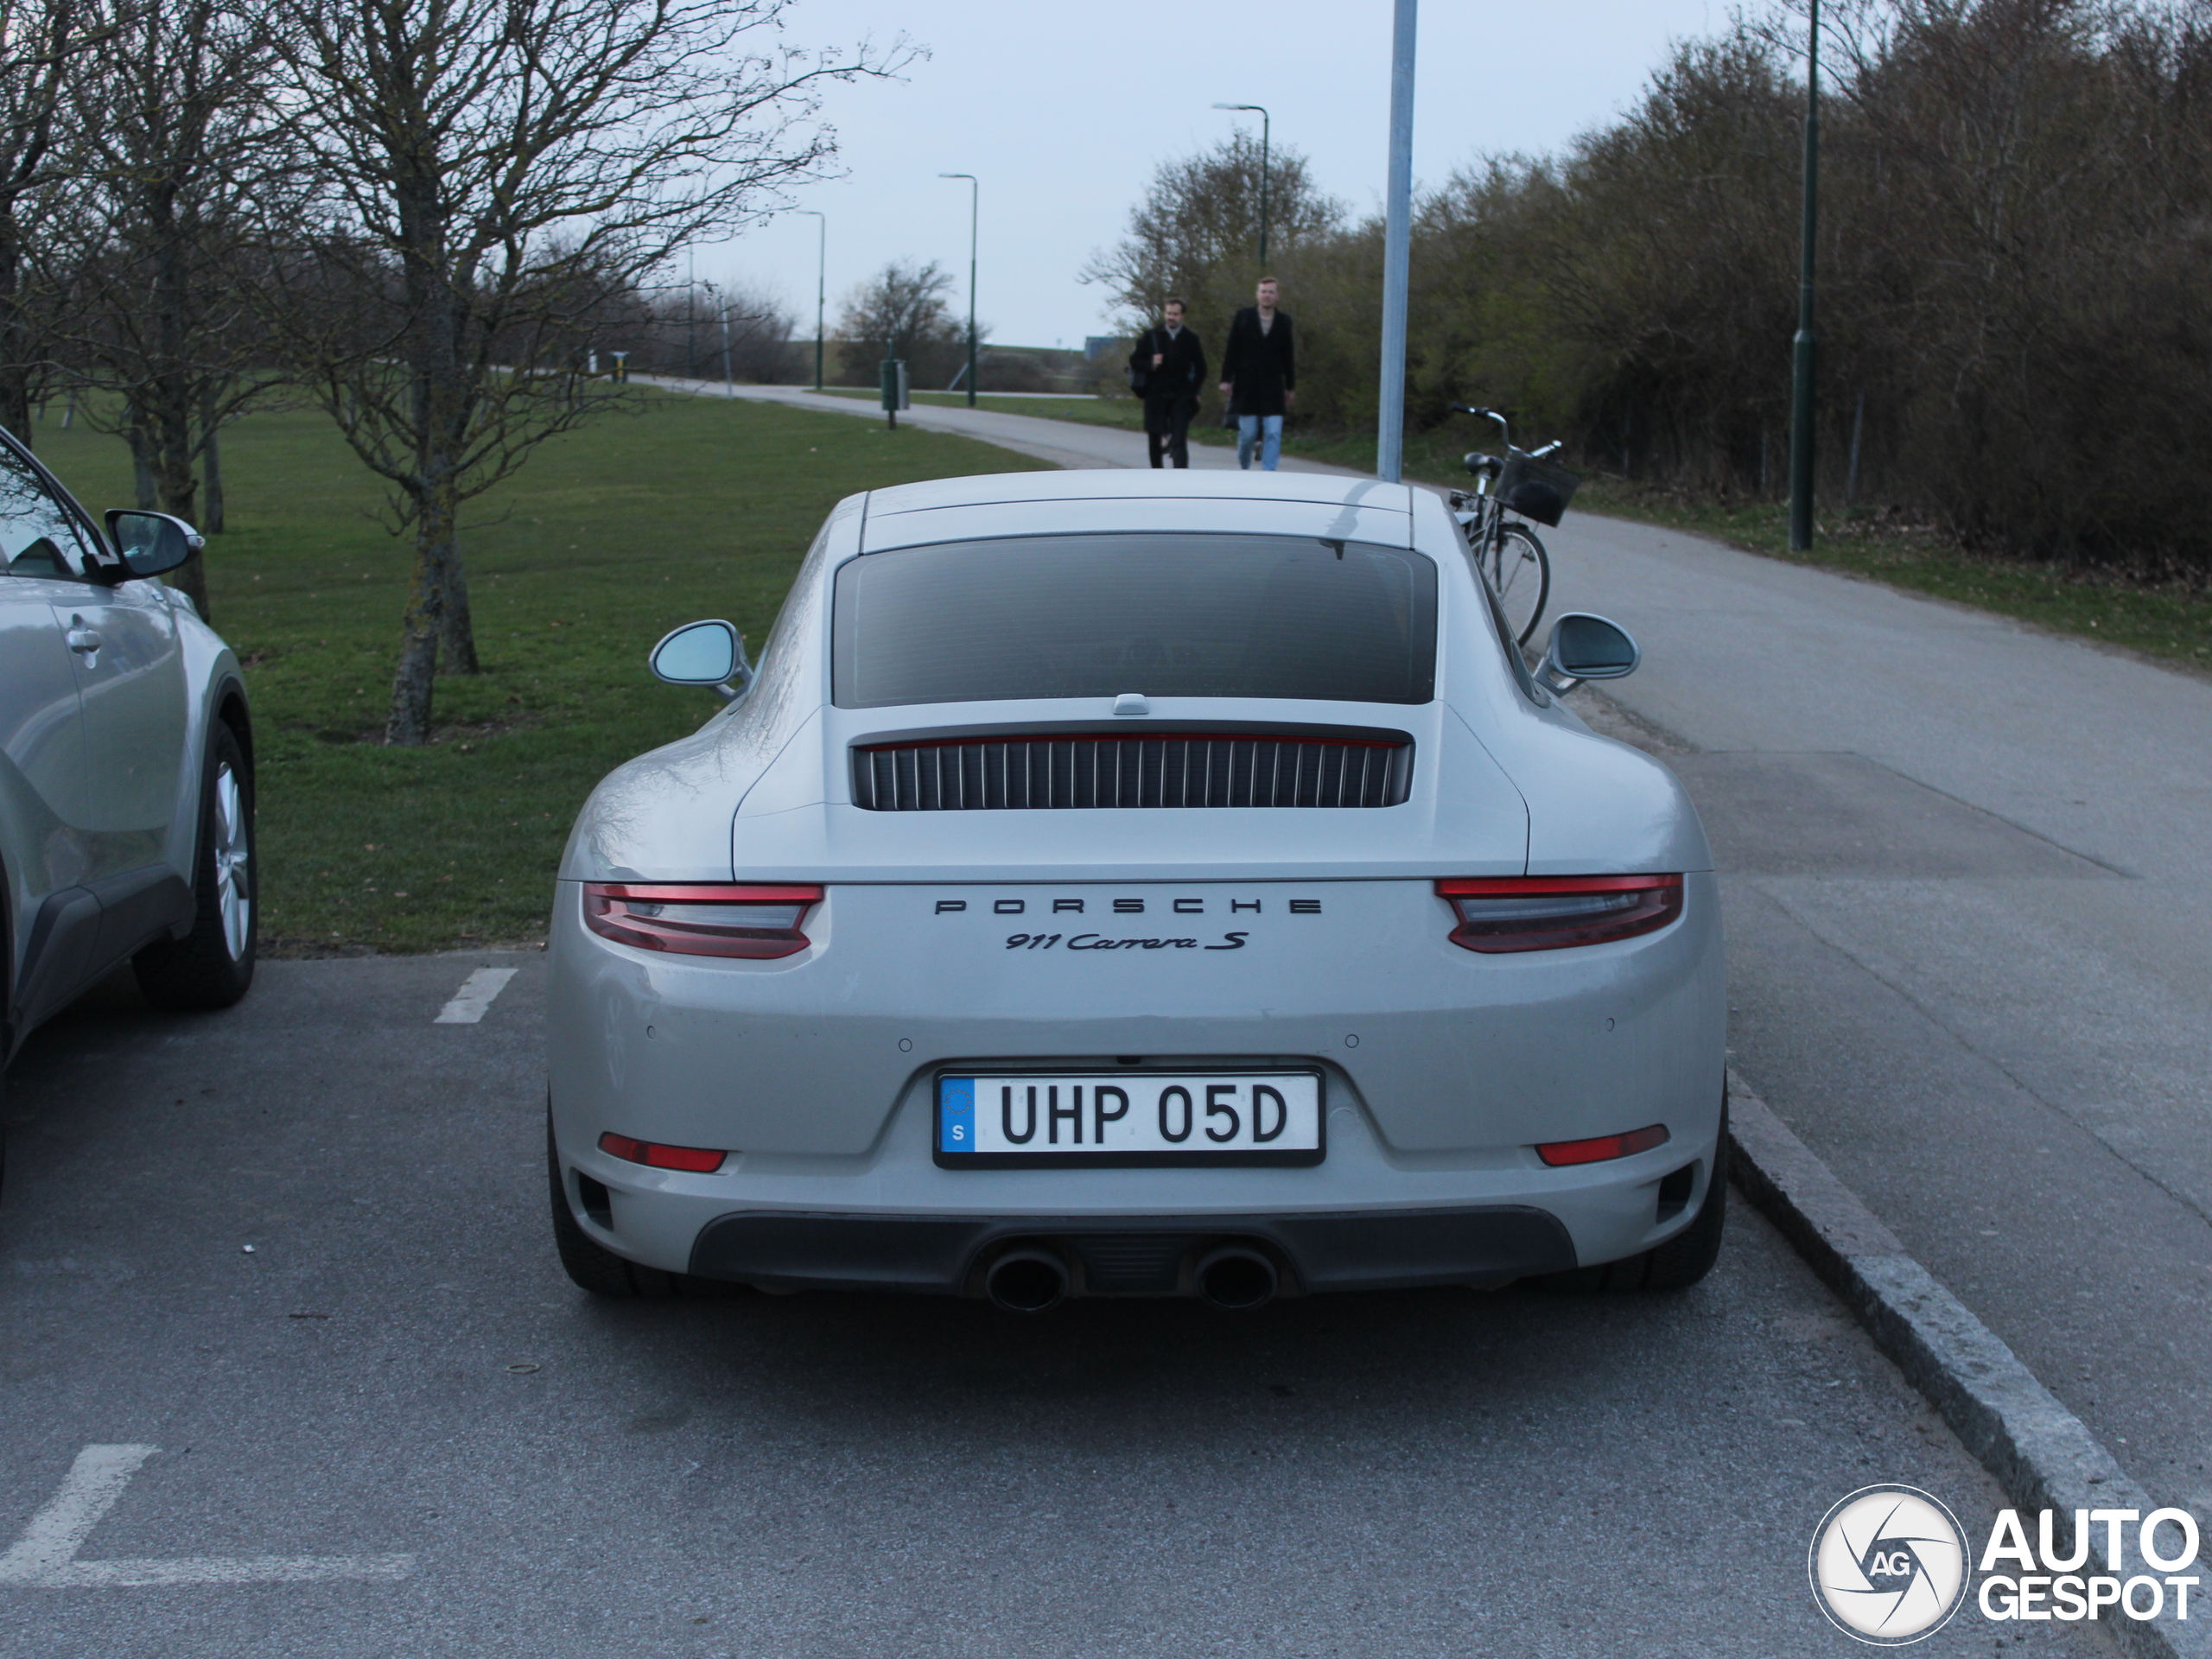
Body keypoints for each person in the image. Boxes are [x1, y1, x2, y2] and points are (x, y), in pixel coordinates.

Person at [1217, 276, 1296, 471]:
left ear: (1277, 296)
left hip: (1273, 384)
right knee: (1248, 434)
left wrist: (1290, 386)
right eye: (1263, 292)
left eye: (1271, 292)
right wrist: (1226, 378)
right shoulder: (1243, 317)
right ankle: (1244, 466)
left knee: (1273, 432)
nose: (1267, 296)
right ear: (1257, 294)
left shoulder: (1284, 321)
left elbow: (1288, 355)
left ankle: (1269, 472)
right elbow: (1232, 348)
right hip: (1247, 384)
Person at [1128, 297, 1206, 468]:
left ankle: (1180, 479)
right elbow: (1134, 361)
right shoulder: (1152, 336)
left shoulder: (1191, 339)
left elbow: (1201, 369)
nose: (1171, 317)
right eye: (1169, 313)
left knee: (1179, 440)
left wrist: (1191, 392)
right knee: (1154, 439)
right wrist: (1151, 364)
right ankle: (1157, 477)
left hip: (1181, 396)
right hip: (1155, 395)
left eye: (1175, 314)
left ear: (1183, 315)